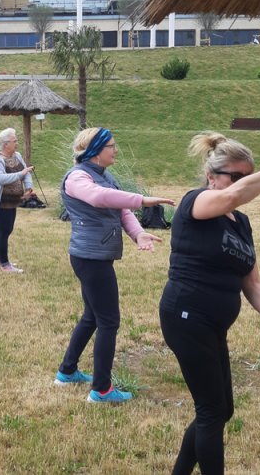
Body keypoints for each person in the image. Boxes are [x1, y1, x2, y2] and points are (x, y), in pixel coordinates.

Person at [161, 132, 260, 474]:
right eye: (236, 176)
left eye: (247, 175)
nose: (243, 183)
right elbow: (234, 195)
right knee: (211, 411)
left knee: (221, 411)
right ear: (212, 177)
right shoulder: (196, 202)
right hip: (186, 316)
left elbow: (252, 282)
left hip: (211, 324)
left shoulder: (242, 224)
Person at [54, 127, 174, 402]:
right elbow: (98, 198)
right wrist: (142, 200)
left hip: (95, 255)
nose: (115, 150)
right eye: (111, 145)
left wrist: (138, 232)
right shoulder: (77, 177)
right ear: (95, 151)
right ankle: (102, 389)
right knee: (108, 320)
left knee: (92, 316)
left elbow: (120, 210)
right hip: (90, 258)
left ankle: (67, 372)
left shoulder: (104, 175)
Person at [0, 128, 33, 273]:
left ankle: (3, 259)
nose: (17, 143)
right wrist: (22, 173)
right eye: (15, 141)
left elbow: (26, 173)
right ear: (5, 144)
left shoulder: (17, 155)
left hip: (14, 201)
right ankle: (3, 263)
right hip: (1, 202)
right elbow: (0, 178)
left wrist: (28, 188)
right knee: (3, 231)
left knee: (8, 230)